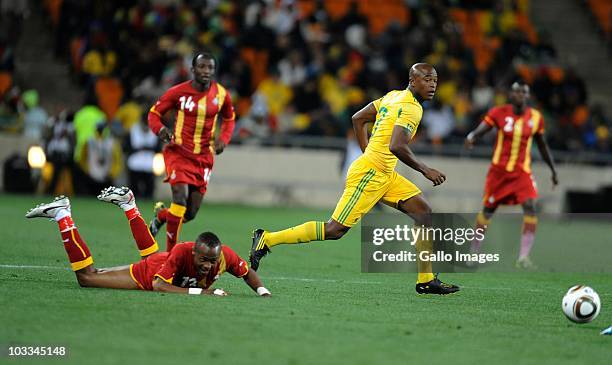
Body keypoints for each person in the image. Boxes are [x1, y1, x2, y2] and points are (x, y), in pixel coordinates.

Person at [249, 63, 459, 295]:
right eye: (427, 79)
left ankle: (426, 279)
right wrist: (424, 169)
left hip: (385, 173)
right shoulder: (411, 108)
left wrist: (366, 149)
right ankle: (266, 238)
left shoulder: (393, 97)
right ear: (412, 80)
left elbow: (358, 118)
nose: (432, 85)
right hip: (370, 173)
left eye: (435, 81)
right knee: (334, 230)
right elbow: (397, 145)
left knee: (424, 213)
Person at [25, 186, 271, 297]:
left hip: (159, 263)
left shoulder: (225, 256)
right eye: (203, 259)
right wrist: (201, 292)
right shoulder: (182, 251)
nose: (208, 265)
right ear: (194, 251)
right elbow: (158, 286)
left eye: (212, 260)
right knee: (87, 278)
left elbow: (248, 273)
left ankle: (129, 205)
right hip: (149, 275)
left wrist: (263, 293)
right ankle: (62, 215)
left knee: (149, 256)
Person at [147, 51, 235, 252]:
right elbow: (154, 113)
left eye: (210, 67)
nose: (206, 71)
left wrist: (223, 139)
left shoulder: (221, 95)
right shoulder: (178, 92)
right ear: (193, 69)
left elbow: (229, 119)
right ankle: (171, 254)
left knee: (191, 212)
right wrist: (160, 129)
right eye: (202, 67)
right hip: (178, 152)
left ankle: (162, 216)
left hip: (203, 157)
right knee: (179, 197)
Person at [465, 81, 559, 268]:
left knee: (530, 206)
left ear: (527, 95)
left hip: (521, 173)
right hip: (498, 173)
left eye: (523, 92)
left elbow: (542, 144)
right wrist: (472, 136)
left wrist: (553, 170)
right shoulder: (499, 112)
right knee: (488, 210)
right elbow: (483, 128)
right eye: (516, 91)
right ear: (511, 94)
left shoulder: (535, 117)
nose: (519, 95)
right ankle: (474, 251)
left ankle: (523, 257)